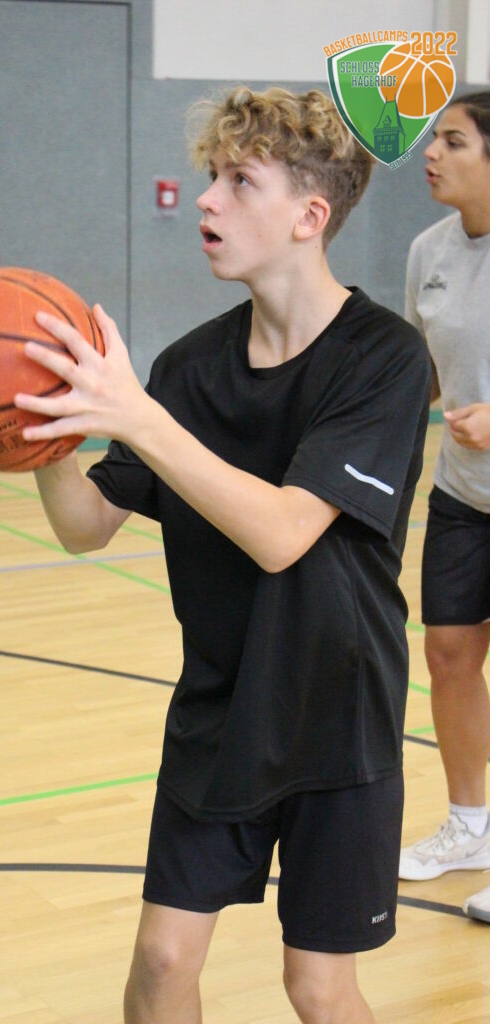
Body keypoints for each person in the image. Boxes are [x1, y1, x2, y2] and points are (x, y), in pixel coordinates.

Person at [16, 87, 431, 1022]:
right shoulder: (189, 369)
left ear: (308, 217)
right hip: (220, 706)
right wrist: (36, 428)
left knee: (316, 986)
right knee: (163, 958)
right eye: (211, 175)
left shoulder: (384, 357)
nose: (206, 199)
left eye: (240, 181)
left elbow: (283, 533)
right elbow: (84, 524)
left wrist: (138, 418)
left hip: (338, 715)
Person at [399, 90, 490, 924]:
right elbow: (419, 372)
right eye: (432, 138)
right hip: (463, 495)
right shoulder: (427, 249)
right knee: (450, 654)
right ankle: (470, 827)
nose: (430, 152)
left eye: (452, 141)